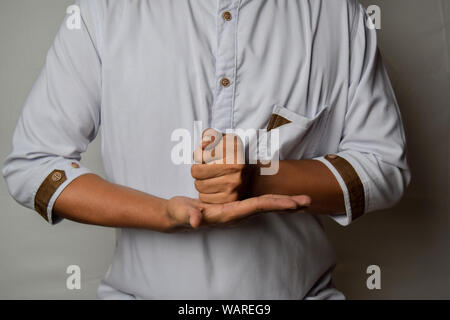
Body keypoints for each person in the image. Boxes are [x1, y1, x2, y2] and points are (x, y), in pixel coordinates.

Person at [2, 0, 410, 299]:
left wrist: (258, 176)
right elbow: (33, 165)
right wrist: (163, 214)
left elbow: (384, 167)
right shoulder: (103, 12)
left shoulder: (339, 15)